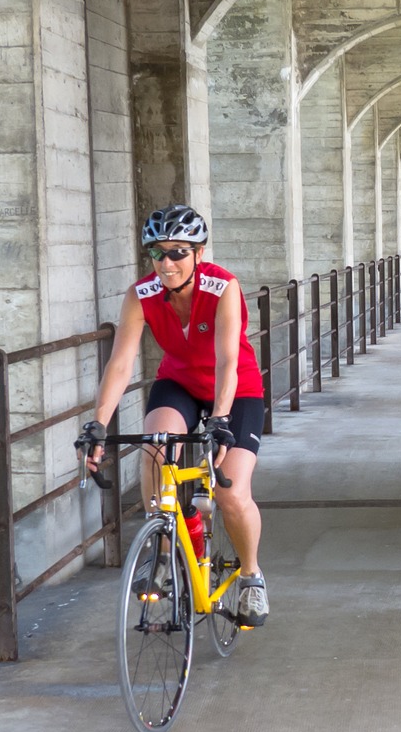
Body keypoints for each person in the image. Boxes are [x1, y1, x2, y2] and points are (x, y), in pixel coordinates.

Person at [77, 203, 268, 628]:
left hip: (235, 391)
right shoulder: (140, 294)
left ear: (199, 253)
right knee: (155, 449)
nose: (167, 262)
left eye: (179, 252)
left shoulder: (223, 288)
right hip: (179, 384)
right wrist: (99, 423)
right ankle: (163, 550)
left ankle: (252, 576)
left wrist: (219, 420)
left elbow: (226, 362)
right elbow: (121, 363)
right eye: (157, 253)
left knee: (231, 491)